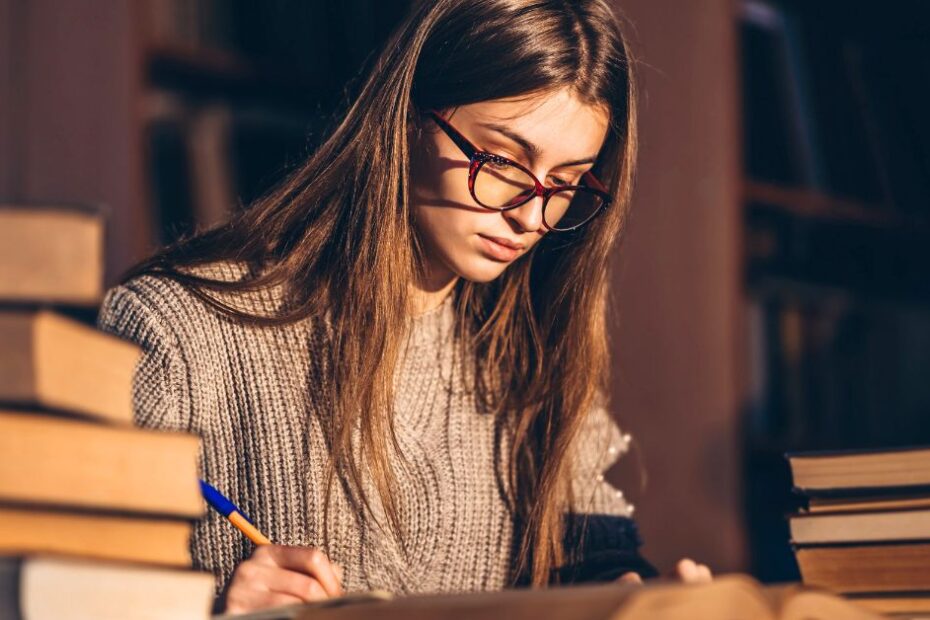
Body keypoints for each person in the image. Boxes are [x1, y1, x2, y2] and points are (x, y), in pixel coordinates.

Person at [97, 0, 711, 614]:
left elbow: (594, 560)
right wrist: (210, 607)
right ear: (407, 118)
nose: (530, 215)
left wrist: (635, 597)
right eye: (501, 162)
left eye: (568, 181)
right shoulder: (175, 330)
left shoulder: (535, 349)